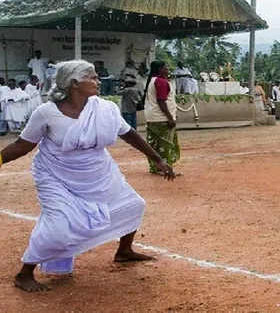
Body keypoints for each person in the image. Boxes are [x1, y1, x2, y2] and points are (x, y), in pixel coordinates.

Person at [0, 60, 176, 292]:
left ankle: (124, 251)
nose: (98, 81)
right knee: (57, 227)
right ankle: (25, 273)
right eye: (92, 78)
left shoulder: (103, 108)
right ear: (74, 83)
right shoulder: (46, 113)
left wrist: (157, 159)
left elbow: (128, 133)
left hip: (98, 171)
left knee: (133, 205)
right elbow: (22, 145)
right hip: (56, 175)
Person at [144, 61, 181, 176]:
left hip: (152, 117)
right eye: (166, 67)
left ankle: (156, 167)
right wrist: (170, 117)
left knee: (154, 143)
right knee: (165, 144)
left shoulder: (152, 80)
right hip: (161, 117)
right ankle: (165, 168)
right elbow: (161, 101)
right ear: (160, 69)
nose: (168, 69)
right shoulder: (161, 81)